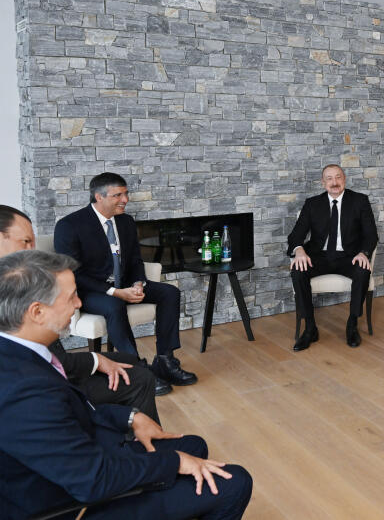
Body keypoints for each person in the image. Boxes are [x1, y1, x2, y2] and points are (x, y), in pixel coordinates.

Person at [0, 250, 252, 520]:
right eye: (71, 297)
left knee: (194, 446)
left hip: (80, 462)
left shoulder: (19, 352)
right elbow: (94, 480)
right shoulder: (23, 390)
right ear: (37, 312)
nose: (79, 303)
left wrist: (130, 417)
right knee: (234, 482)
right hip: (72, 504)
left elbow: (67, 416)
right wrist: (175, 462)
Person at [0, 204, 162, 417]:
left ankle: (128, 422)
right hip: (43, 385)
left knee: (129, 360)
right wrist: (96, 360)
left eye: (33, 242)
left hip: (51, 365)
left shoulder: (16, 279)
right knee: (140, 378)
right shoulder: (13, 288)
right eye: (26, 241)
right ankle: (132, 430)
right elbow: (47, 361)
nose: (32, 250)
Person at [54, 173, 197, 390]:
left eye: (126, 194)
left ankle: (165, 361)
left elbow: (135, 260)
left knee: (169, 292)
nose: (125, 200)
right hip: (89, 291)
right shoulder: (70, 225)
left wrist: (138, 283)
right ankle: (136, 369)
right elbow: (73, 273)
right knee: (114, 304)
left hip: (125, 284)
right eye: (118, 195)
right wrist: (115, 292)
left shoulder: (126, 221)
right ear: (98, 197)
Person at [288, 164, 378, 350]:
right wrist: (299, 251)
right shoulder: (312, 204)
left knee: (363, 270)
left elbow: (371, 235)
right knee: (298, 270)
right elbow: (296, 235)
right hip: (319, 256)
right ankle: (310, 328)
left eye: (338, 177)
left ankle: (352, 324)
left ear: (344, 179)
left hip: (349, 256)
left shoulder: (360, 201)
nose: (334, 182)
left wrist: (364, 253)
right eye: (329, 178)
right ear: (323, 183)